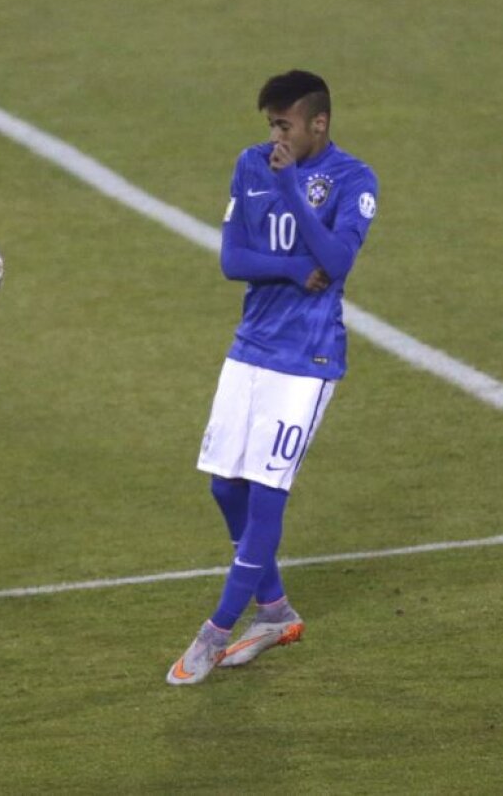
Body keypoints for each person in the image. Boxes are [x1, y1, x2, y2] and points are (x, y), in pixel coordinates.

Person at [166, 71, 379, 686]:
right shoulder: (251, 164)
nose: (274, 136)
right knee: (223, 488)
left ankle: (216, 631)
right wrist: (290, 268)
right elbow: (233, 259)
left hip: (306, 360)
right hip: (250, 346)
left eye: (284, 124)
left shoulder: (354, 179)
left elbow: (337, 263)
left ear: (319, 123)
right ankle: (277, 611)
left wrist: (290, 188)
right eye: (270, 125)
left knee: (265, 492)